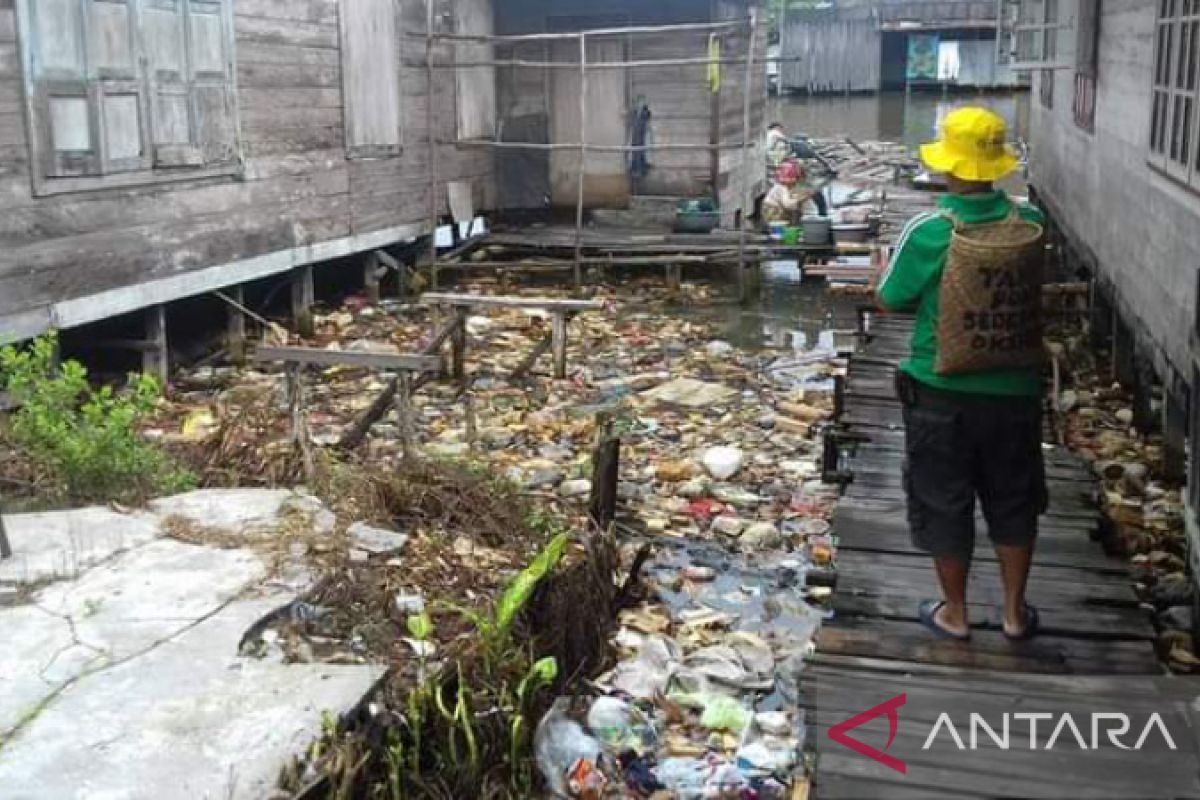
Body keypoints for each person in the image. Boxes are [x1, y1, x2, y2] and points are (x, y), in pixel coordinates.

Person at [873, 106, 1046, 641]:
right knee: (1013, 497)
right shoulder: (1029, 225)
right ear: (994, 167)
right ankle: (1016, 614)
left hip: (940, 388)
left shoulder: (930, 231)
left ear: (950, 169)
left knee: (944, 498)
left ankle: (956, 612)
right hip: (1015, 387)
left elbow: (889, 299)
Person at [761, 160, 815, 225]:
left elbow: (798, 205)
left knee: (795, 211)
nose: (796, 184)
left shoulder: (792, 188)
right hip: (773, 211)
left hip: (780, 209)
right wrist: (800, 199)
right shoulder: (781, 187)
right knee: (788, 213)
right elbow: (787, 204)